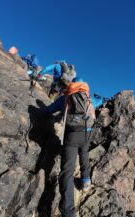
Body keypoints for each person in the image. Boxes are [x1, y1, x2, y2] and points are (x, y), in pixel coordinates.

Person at [44, 79, 95, 217]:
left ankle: (68, 212)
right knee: (84, 154)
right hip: (88, 133)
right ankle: (85, 181)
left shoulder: (65, 98)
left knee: (67, 170)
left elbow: (49, 110)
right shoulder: (88, 99)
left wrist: (42, 112)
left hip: (72, 136)